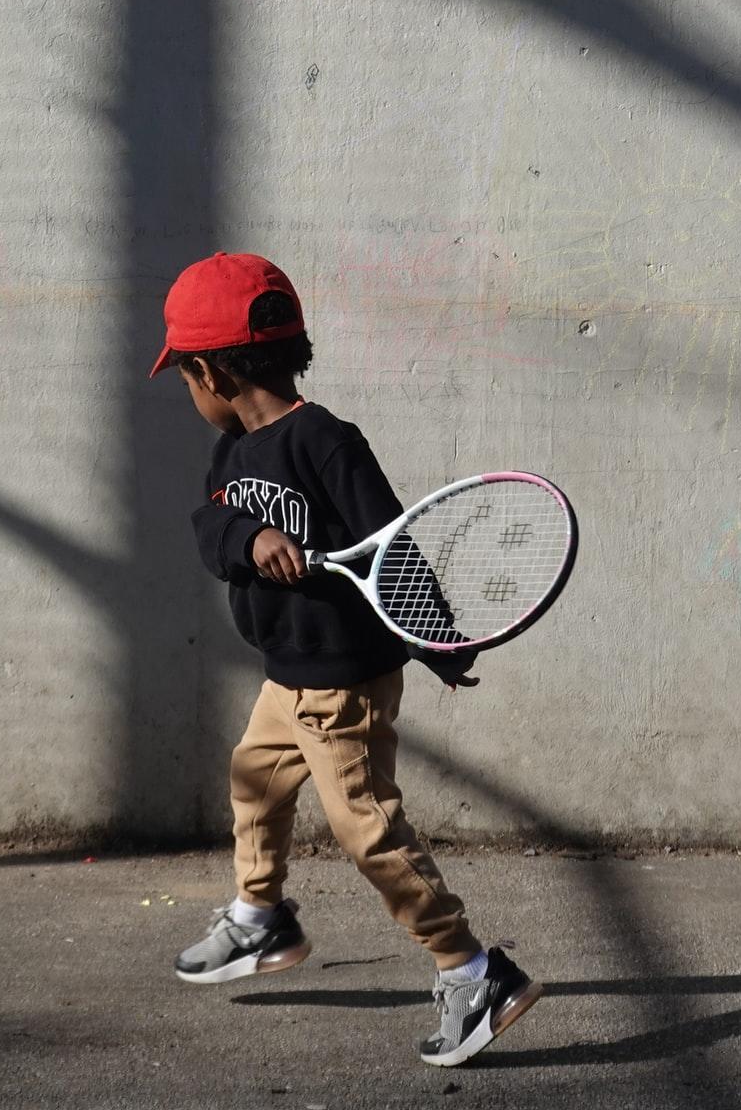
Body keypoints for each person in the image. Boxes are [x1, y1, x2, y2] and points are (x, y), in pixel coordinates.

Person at [150, 251, 542, 1067]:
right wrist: (252, 539)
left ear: (214, 372)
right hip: (286, 672)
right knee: (254, 781)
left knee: (368, 831)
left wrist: (436, 642)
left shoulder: (327, 442)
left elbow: (394, 552)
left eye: (185, 378)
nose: (190, 397)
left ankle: (473, 970)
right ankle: (262, 917)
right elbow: (207, 529)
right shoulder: (232, 455)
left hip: (343, 685)